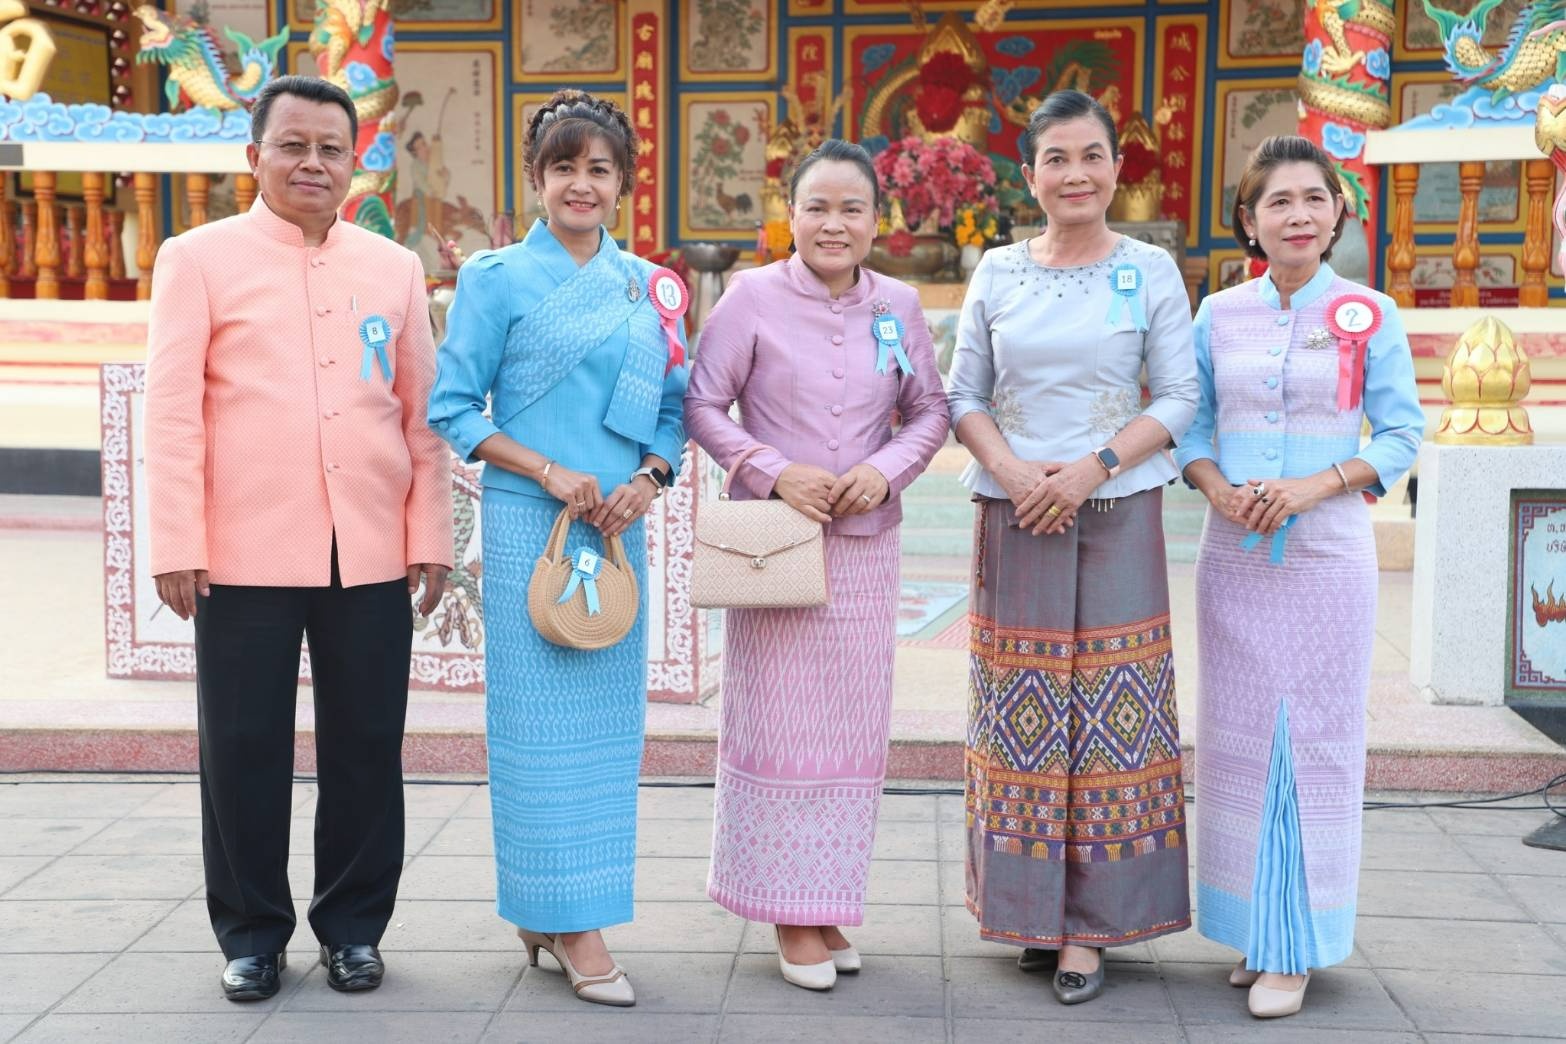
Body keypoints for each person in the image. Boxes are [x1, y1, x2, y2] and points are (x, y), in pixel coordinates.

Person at [143, 75, 453, 1002]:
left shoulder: (392, 268)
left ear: (355, 163)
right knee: (243, 749)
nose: (312, 162)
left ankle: (354, 929)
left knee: (367, 747)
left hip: (368, 547)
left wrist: (429, 533)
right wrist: (176, 540)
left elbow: (421, 415)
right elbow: (172, 413)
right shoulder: (196, 259)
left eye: (330, 148)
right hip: (241, 553)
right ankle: (251, 934)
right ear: (255, 156)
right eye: (293, 145)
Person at [427, 88, 687, 1008]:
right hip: (529, 525)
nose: (583, 183)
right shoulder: (496, 279)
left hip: (615, 527)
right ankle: (570, 924)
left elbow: (674, 409)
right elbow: (453, 408)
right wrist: (546, 472)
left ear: (623, 183)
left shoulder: (649, 285)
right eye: (564, 167)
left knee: (607, 734)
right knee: (537, 732)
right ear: (537, 178)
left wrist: (647, 479)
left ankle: (562, 912)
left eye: (600, 169)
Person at [946, 89, 1199, 1005]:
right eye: (1057, 158)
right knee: (1020, 708)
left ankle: (1092, 927)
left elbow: (1179, 396)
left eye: (1092, 155)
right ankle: (1028, 911)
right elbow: (962, 395)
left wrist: (1092, 469)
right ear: (1031, 175)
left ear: (1117, 168)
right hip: (1015, 512)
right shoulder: (997, 270)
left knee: (1110, 709)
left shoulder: (1150, 269)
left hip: (1115, 508)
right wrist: (1016, 474)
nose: (1076, 173)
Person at [685, 138, 949, 991]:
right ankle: (788, 912)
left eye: (852, 209)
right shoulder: (750, 297)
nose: (834, 224)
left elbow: (930, 410)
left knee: (849, 733)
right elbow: (703, 402)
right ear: (790, 216)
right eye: (817, 207)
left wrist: (886, 470)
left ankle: (825, 899)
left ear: (877, 219)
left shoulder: (899, 304)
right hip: (776, 547)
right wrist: (771, 469)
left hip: (866, 546)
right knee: (780, 728)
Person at [1174, 135, 1423, 1019]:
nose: (1299, 216)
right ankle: (1256, 926)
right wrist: (1218, 489)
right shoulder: (1217, 315)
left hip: (1329, 558)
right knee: (1238, 738)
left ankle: (1297, 944)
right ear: (1249, 220)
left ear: (1337, 212)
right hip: (1233, 556)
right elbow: (1190, 425)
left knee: (1311, 741)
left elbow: (1402, 434)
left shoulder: (1369, 312)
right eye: (1278, 201)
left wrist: (1315, 486)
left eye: (1315, 199)